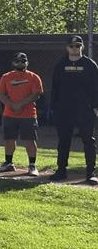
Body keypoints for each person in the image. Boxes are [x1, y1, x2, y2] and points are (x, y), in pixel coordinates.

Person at [50, 35, 98, 185]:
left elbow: (96, 88)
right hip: (64, 110)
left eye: (77, 46)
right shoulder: (60, 64)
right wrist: (53, 108)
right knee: (64, 141)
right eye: (72, 46)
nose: (74, 48)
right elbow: (55, 87)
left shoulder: (90, 65)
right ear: (67, 48)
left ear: (82, 47)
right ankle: (61, 171)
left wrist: (96, 107)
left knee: (88, 141)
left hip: (85, 110)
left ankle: (91, 173)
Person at [0, 52, 43, 177]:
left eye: (23, 61)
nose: (20, 63)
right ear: (13, 63)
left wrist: (20, 104)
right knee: (9, 139)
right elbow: (1, 94)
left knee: (30, 140)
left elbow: (35, 94)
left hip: (28, 114)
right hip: (9, 114)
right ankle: (8, 163)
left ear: (27, 63)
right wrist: (12, 105)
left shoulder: (33, 77)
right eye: (17, 61)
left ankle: (32, 165)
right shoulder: (6, 77)